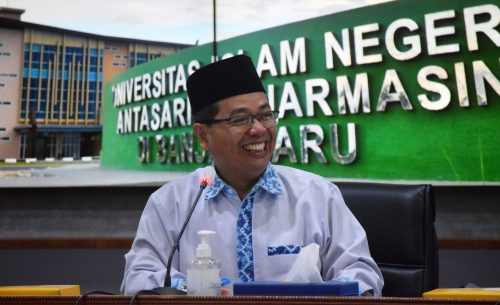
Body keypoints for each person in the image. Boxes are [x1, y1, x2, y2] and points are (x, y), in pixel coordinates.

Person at [121, 54, 384, 296]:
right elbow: (138, 279)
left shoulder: (317, 195)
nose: (259, 129)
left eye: (266, 115)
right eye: (240, 119)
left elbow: (363, 275)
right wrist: (198, 290)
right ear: (203, 135)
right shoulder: (172, 203)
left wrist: (315, 297)